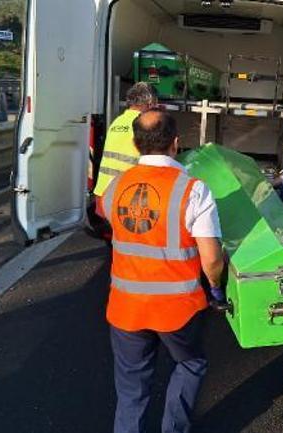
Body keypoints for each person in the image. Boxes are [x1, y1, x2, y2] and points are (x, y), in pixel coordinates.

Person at [97, 110, 225, 433]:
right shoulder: (193, 190)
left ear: (135, 143)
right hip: (177, 309)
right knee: (191, 363)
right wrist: (216, 289)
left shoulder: (115, 187)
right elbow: (211, 259)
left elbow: (120, 230)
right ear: (176, 143)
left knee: (131, 389)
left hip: (125, 308)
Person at [87, 82, 158, 240]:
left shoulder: (117, 122)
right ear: (150, 103)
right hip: (125, 201)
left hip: (102, 197)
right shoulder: (143, 124)